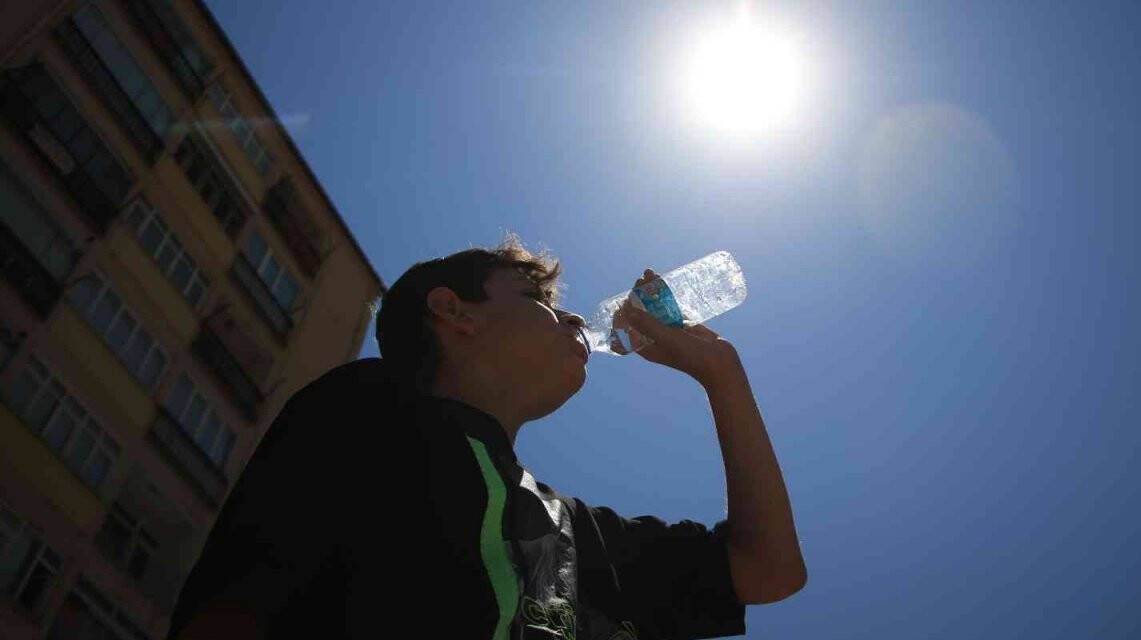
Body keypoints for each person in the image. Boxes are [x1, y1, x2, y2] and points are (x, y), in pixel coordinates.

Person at [166, 234, 805, 639]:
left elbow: (767, 570)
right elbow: (241, 607)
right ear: (453, 312)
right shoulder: (373, 410)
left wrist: (722, 377)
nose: (577, 320)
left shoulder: (566, 533)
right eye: (541, 301)